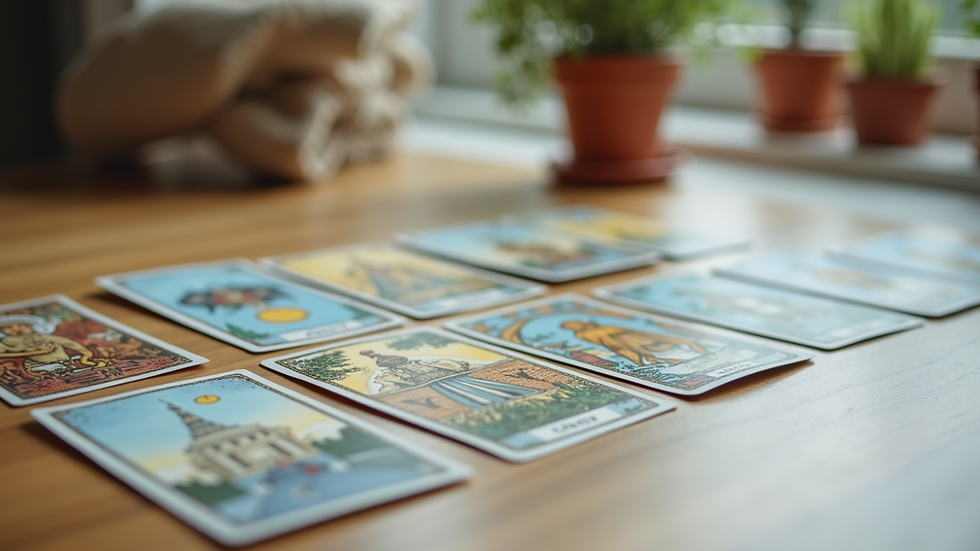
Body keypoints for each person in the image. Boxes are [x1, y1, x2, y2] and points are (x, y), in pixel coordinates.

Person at [560, 319, 708, 366]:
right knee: (647, 357)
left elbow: (637, 333)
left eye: (577, 322)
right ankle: (652, 360)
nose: (578, 324)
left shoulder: (604, 327)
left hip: (642, 339)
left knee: (687, 344)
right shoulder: (586, 333)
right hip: (629, 344)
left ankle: (699, 350)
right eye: (573, 325)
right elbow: (610, 342)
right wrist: (640, 353)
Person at [0, 315, 107, 377]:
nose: (16, 329)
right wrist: (35, 352)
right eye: (9, 328)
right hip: (38, 368)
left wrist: (84, 352)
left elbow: (67, 342)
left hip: (67, 363)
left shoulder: (42, 335)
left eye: (21, 325)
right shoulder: (7, 341)